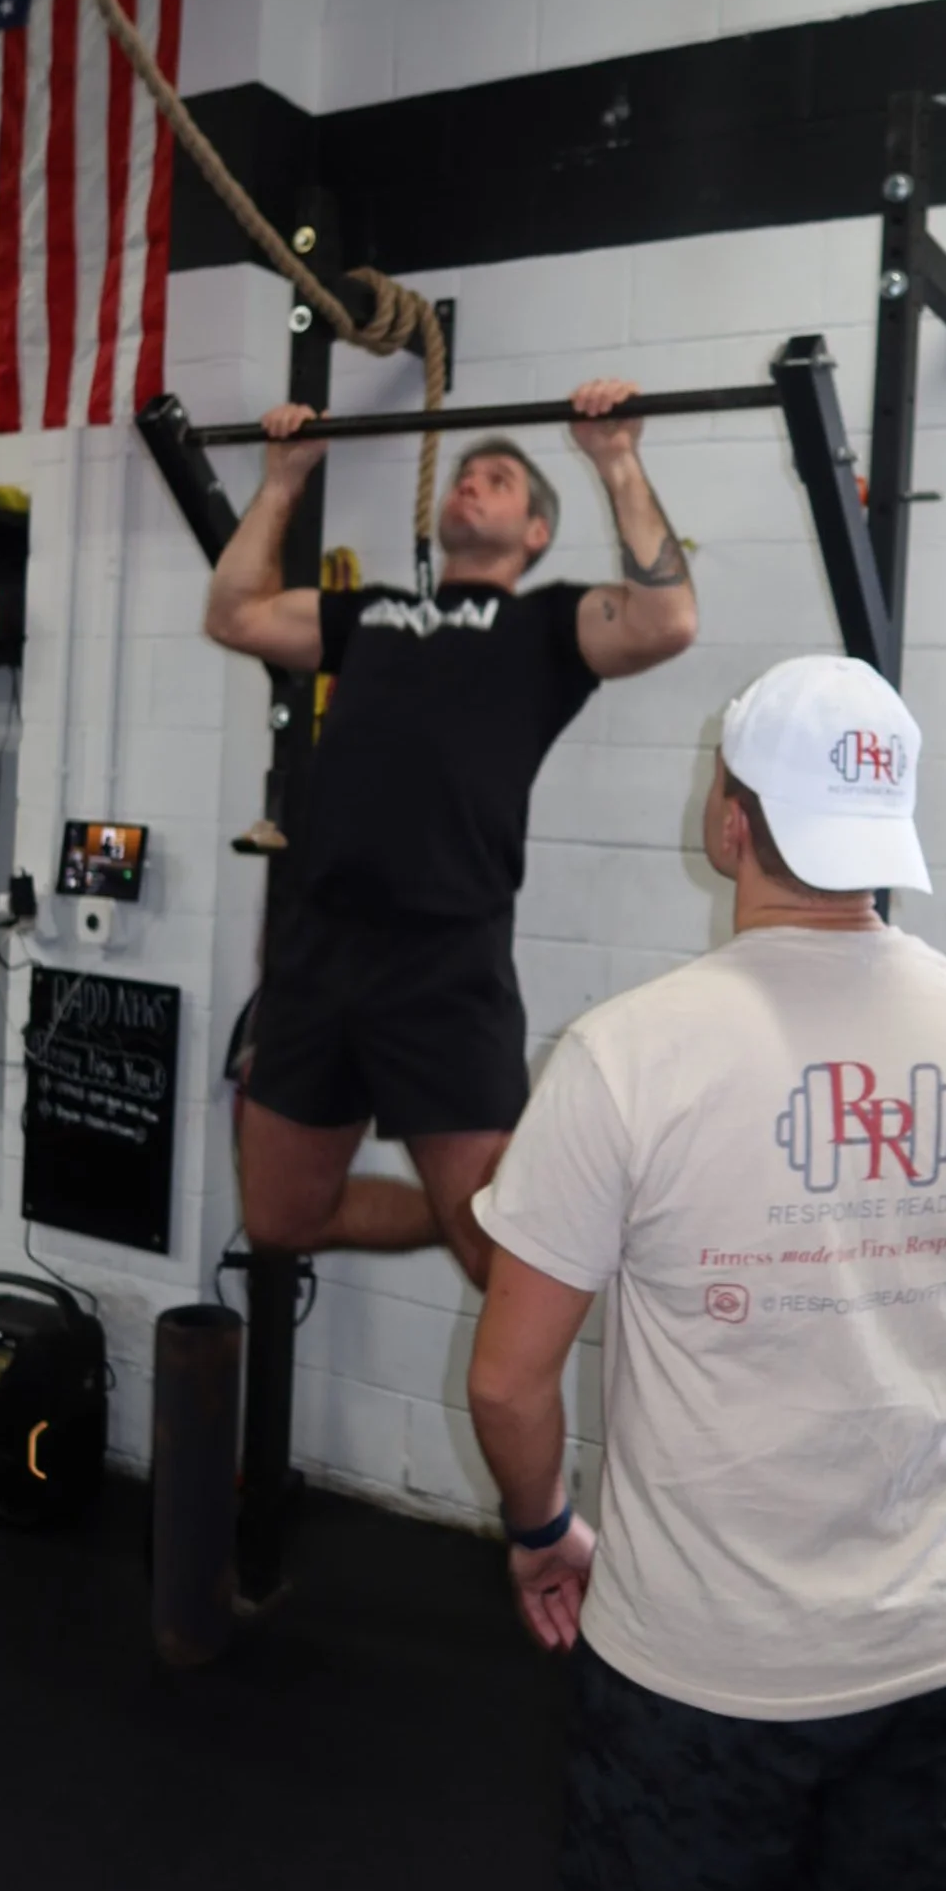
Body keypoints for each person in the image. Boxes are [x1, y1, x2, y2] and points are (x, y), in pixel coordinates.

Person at [466, 653, 946, 1891]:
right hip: (933, 1641)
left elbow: (511, 1384)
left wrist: (540, 1533)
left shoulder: (625, 1055)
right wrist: (925, 1543)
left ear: (730, 821)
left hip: (700, 1666)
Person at [205, 379, 697, 1291]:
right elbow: (233, 615)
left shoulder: (547, 626)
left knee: (493, 1257)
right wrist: (284, 479)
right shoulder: (372, 615)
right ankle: (460, 1222)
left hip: (445, 961)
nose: (471, 483)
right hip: (317, 950)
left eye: (499, 478)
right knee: (279, 1218)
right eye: (465, 473)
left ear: (536, 532)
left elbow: (667, 620)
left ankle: (481, 1234)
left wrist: (617, 459)